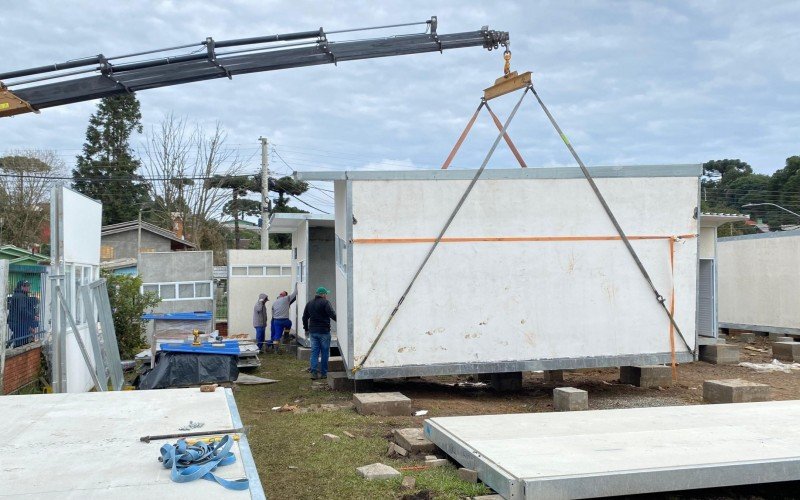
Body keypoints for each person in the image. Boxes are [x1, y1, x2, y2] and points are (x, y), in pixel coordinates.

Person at [302, 286, 337, 380]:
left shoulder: (309, 303)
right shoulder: (325, 302)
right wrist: (341, 322)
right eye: (326, 294)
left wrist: (306, 329)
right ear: (323, 294)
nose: (326, 295)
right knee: (325, 352)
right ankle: (324, 373)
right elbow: (332, 314)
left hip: (313, 332)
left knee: (314, 352)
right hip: (324, 332)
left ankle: (313, 372)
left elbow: (304, 317)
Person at [268, 283, 297, 352]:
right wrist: (296, 284)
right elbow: (295, 293)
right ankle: (286, 336)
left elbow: (273, 313)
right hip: (284, 320)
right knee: (289, 323)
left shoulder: (275, 302)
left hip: (276, 321)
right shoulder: (286, 298)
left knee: (277, 336)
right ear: (285, 295)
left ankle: (276, 350)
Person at [7, 280, 36, 348]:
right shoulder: (21, 296)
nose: (29, 287)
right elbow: (23, 310)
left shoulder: (19, 295)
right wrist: (33, 317)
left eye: (29, 285)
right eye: (27, 286)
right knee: (21, 341)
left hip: (17, 322)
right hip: (17, 322)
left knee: (19, 336)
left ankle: (8, 346)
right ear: (21, 287)